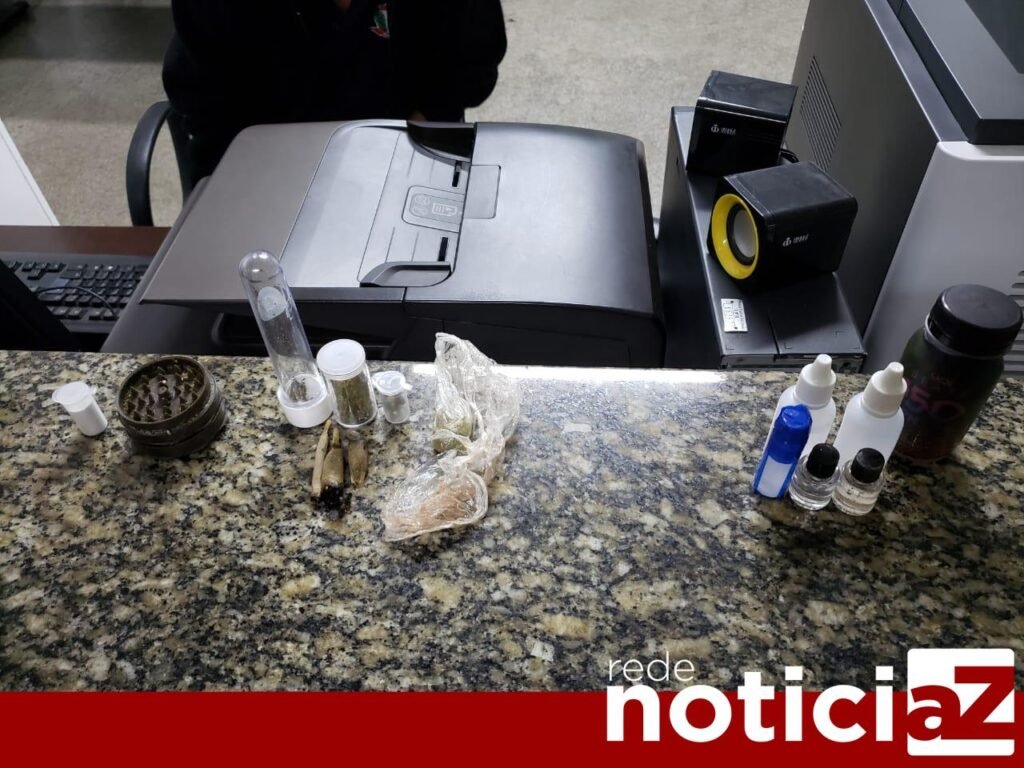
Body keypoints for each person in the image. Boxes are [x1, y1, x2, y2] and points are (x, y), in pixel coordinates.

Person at [163, 0, 507, 181]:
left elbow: (470, 67)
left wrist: (399, 156)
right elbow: (206, 105)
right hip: (269, 169)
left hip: (404, 151)